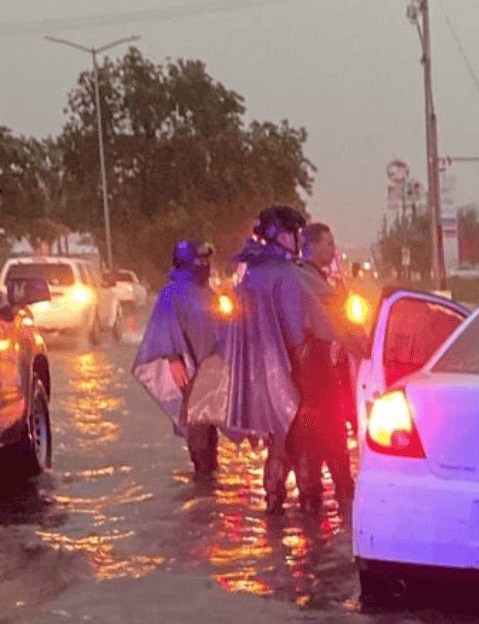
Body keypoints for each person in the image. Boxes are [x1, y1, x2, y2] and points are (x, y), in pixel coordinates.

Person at [190, 204, 341, 514]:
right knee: (303, 448)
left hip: (260, 379)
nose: (298, 238)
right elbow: (295, 331)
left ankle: (274, 507)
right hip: (293, 375)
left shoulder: (251, 277)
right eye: (293, 233)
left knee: (278, 444)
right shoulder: (288, 276)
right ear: (281, 235)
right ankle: (312, 519)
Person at [132, 240, 221, 481]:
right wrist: (173, 358)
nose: (205, 265)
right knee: (197, 421)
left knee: (209, 424)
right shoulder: (172, 293)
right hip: (190, 369)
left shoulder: (208, 293)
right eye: (199, 261)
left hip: (211, 370)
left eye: (207, 261)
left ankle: (210, 472)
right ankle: (202, 476)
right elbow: (165, 326)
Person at [290, 221, 364, 505]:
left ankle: (339, 504)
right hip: (309, 380)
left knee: (334, 446)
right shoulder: (303, 281)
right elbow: (334, 324)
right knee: (315, 447)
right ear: (312, 246)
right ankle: (318, 511)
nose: (333, 250)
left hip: (324, 381)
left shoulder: (321, 280)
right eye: (329, 244)